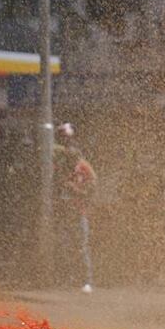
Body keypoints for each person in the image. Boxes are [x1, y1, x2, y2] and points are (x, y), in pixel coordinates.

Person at [53, 123, 97, 293]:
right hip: (64, 211)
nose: (68, 146)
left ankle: (86, 280)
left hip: (79, 211)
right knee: (64, 244)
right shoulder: (59, 165)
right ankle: (68, 277)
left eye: (69, 140)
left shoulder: (83, 166)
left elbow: (93, 185)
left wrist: (77, 190)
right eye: (63, 138)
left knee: (81, 245)